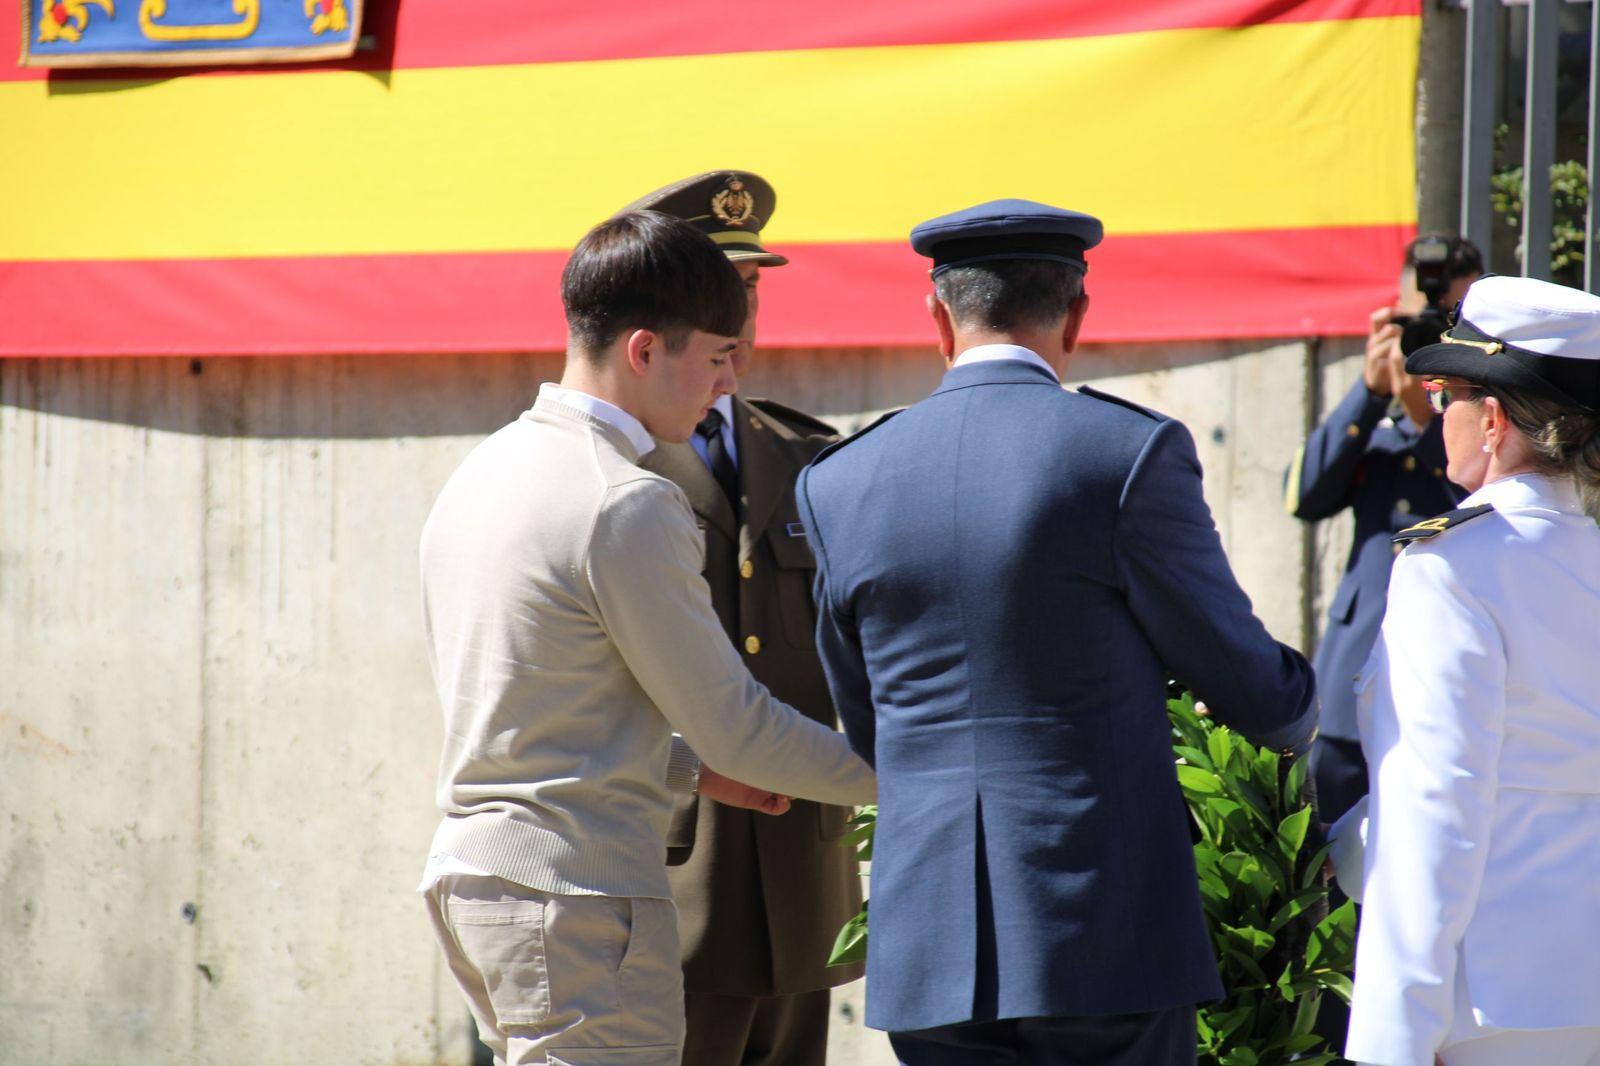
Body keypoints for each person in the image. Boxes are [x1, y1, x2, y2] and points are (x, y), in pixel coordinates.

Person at [795, 199, 1319, 1065]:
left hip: (929, 939)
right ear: (1076, 313)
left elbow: (869, 719)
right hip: (1098, 928)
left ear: (938, 317)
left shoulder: (840, 481)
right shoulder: (1122, 454)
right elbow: (1243, 678)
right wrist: (1317, 720)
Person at [416, 210, 876, 1066]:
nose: (726, 381)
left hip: (484, 877)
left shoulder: (486, 470)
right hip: (578, 891)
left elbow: (538, 705)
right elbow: (739, 723)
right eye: (714, 356)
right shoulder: (622, 498)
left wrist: (691, 772)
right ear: (643, 350)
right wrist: (909, 776)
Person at [627, 171, 864, 1066]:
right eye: (721, 287)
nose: (743, 309)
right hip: (680, 864)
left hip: (803, 870)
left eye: (752, 287)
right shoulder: (616, 460)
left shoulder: (808, 453)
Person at [1333, 275, 1600, 1066]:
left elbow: (1434, 818)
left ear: (1491, 420)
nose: (1434, 410)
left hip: (1496, 1005)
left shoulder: (1452, 566)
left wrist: (1392, 1042)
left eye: (1444, 391)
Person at [1286, 234, 1482, 830]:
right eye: (1416, 324)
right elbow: (1304, 496)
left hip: (1446, 679)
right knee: (1335, 882)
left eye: (1447, 325)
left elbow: (1486, 504)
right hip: (1350, 681)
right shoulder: (1374, 420)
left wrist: (1432, 422)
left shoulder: (1492, 420)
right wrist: (1369, 394)